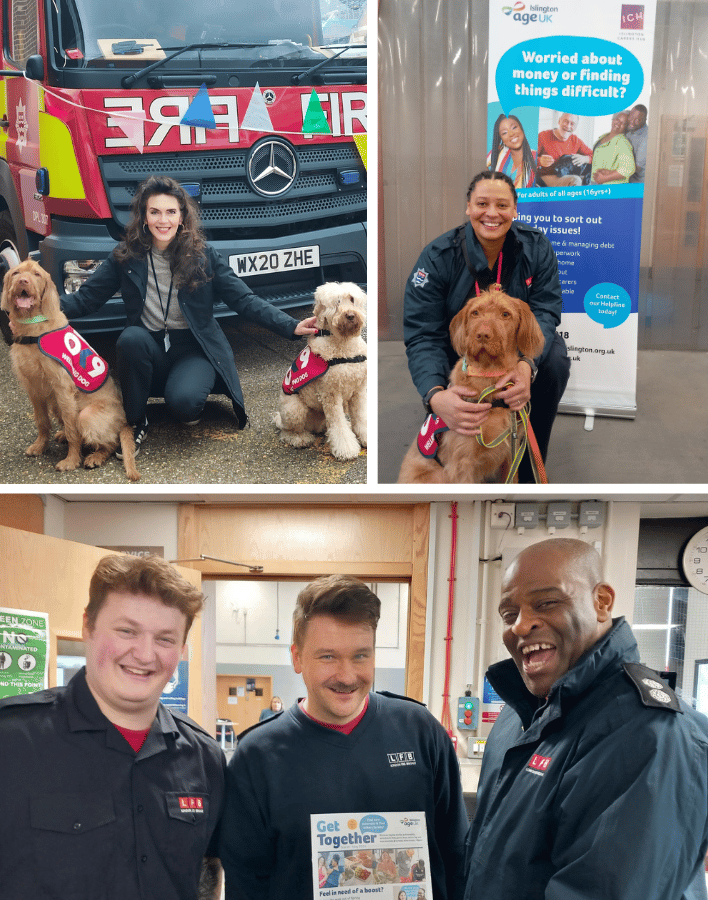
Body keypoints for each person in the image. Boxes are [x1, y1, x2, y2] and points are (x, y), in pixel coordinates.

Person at [463, 538, 708, 900]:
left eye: (546, 603)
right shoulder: (517, 720)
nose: (520, 626)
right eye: (509, 614)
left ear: (601, 602)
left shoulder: (649, 735)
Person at [218, 574, 468, 900]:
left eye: (360, 656)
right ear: (297, 657)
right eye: (328, 656)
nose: (347, 676)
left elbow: (457, 856)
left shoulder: (420, 732)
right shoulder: (258, 755)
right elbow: (246, 883)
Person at [0, 553, 226, 900]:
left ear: (181, 650)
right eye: (127, 631)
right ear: (87, 627)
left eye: (165, 639)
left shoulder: (205, 759)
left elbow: (207, 876)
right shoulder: (11, 739)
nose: (145, 654)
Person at [61, 175, 317, 454]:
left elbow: (243, 299)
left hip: (193, 349)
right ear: (143, 218)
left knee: (184, 406)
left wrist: (290, 325)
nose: (163, 220)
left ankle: (183, 391)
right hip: (148, 347)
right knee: (130, 338)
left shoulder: (203, 256)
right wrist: (34, 315)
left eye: (171, 212)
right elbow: (86, 299)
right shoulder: (125, 256)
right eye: (155, 212)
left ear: (182, 217)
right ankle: (136, 420)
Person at [403, 170, 570, 482]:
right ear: (468, 207)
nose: (492, 214)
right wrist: (436, 396)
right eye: (482, 203)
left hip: (512, 352)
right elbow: (423, 333)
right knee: (451, 437)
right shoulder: (438, 257)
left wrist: (526, 366)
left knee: (555, 360)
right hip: (456, 352)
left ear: (515, 211)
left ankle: (527, 468)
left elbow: (546, 311)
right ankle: (454, 432)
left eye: (503, 206)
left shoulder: (537, 248)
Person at [536, 111, 593, 186]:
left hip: (566, 175)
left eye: (572, 124)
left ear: (576, 127)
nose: (568, 126)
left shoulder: (576, 141)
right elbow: (526, 158)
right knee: (575, 180)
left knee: (590, 180)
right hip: (546, 176)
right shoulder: (543, 136)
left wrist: (585, 159)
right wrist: (540, 161)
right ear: (559, 121)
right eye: (566, 121)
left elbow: (596, 156)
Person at [487, 113, 537, 189]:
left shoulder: (535, 157)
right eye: (504, 133)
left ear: (521, 128)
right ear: (501, 139)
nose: (511, 134)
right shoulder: (499, 153)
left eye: (514, 127)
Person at [591, 110, 636, 184]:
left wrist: (605, 178)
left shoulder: (623, 143)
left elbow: (628, 168)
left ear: (626, 127)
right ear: (613, 119)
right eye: (617, 119)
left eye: (623, 123)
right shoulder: (602, 137)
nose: (618, 123)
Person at [627, 103, 649, 183]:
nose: (632, 122)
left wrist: (610, 174)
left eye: (637, 119)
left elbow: (637, 168)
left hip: (638, 184)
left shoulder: (647, 138)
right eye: (631, 117)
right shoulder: (630, 129)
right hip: (628, 179)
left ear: (644, 120)